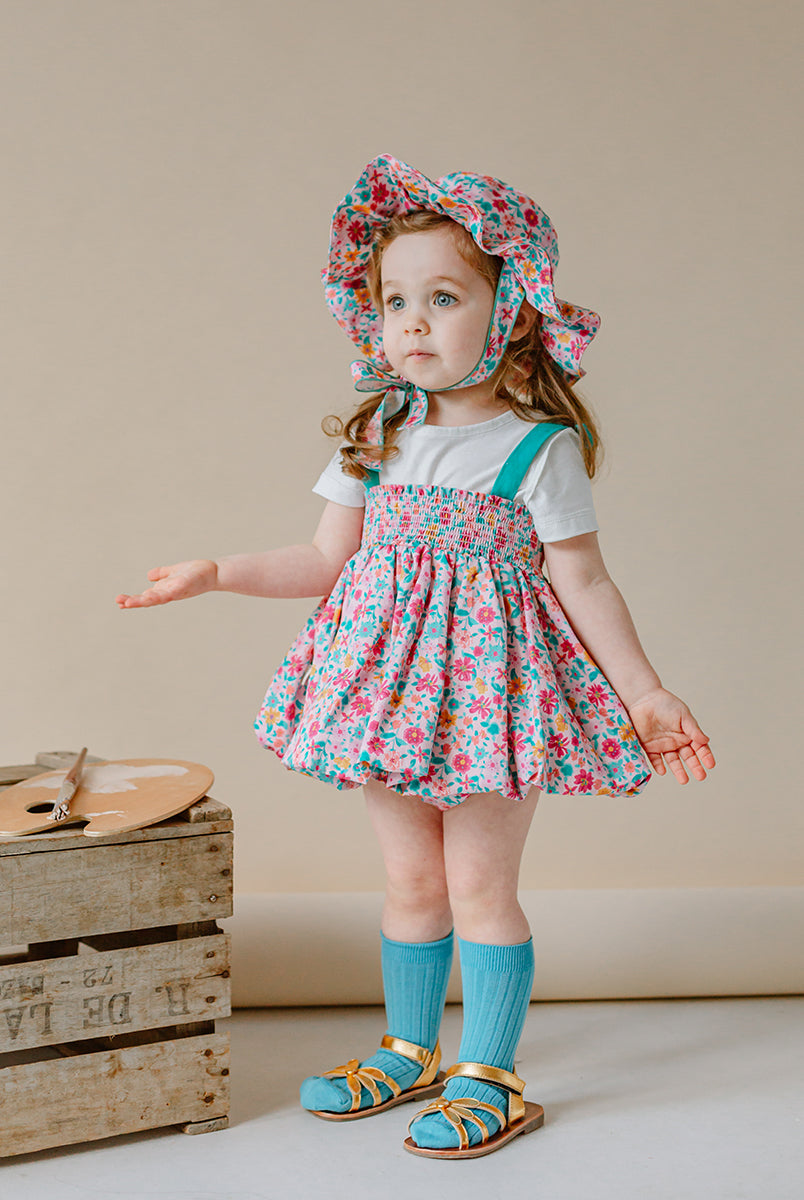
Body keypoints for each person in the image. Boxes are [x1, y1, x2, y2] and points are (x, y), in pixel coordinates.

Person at [117, 155, 716, 1159]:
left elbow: (584, 582)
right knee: (409, 884)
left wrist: (645, 692)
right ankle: (409, 1049)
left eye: (444, 298)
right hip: (387, 700)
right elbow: (322, 561)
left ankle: (490, 1073)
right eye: (396, 301)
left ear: (508, 309)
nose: (412, 323)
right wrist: (217, 572)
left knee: (480, 887)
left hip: (491, 700)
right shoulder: (378, 434)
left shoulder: (537, 447)